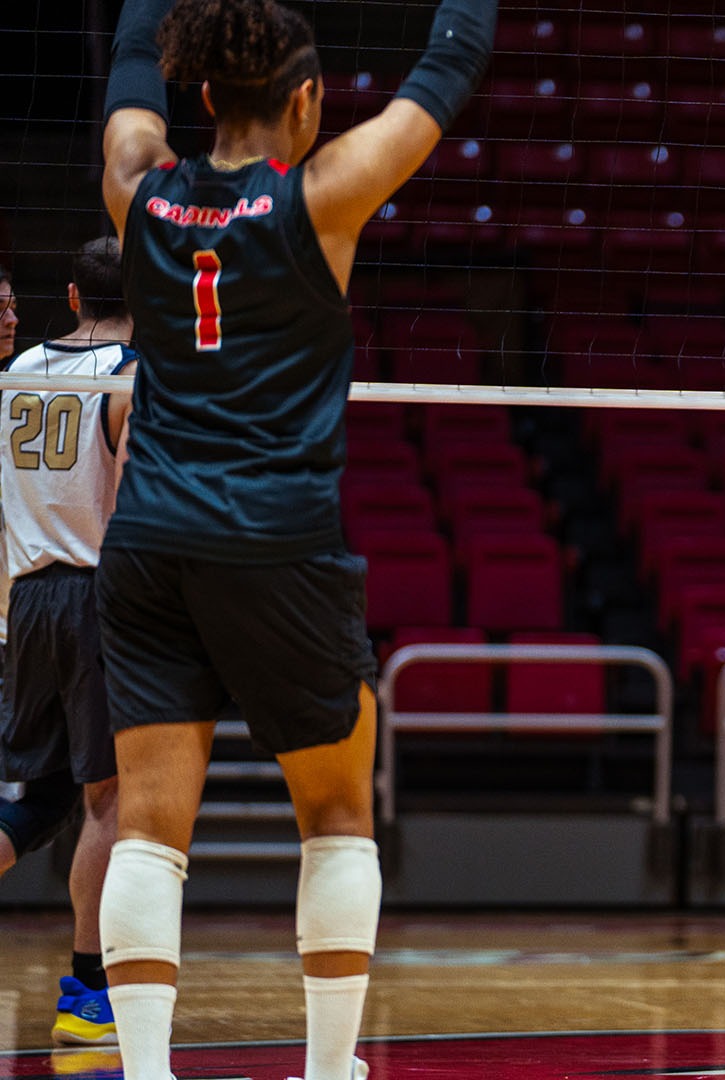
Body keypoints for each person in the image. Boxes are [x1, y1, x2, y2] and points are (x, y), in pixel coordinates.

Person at [96, 0, 493, 1077]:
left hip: (147, 544)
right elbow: (448, 69)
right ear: (309, 102)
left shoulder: (138, 190)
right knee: (334, 818)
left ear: (207, 96)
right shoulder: (322, 198)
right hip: (275, 541)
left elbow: (130, 74)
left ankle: (142, 1073)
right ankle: (325, 1072)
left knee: (147, 831)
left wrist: (144, 13)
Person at [0, 238, 137, 1048]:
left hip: (26, 605)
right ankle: (89, 990)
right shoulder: (132, 379)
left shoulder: (13, 376)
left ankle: (89, 987)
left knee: (43, 798)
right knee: (108, 802)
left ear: (74, 297)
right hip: (94, 597)